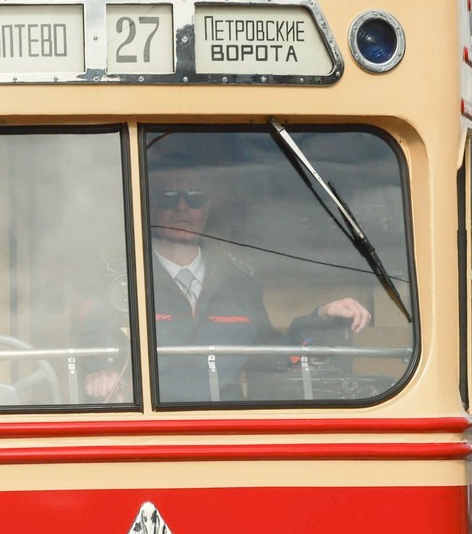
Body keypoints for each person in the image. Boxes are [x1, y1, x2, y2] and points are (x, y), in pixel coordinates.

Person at [145, 157, 372, 403]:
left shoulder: (239, 282)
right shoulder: (127, 281)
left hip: (223, 425)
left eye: (194, 197)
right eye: (168, 197)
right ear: (149, 206)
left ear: (207, 208)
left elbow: (268, 355)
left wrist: (322, 316)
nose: (182, 207)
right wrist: (100, 372)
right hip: (149, 429)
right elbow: (109, 347)